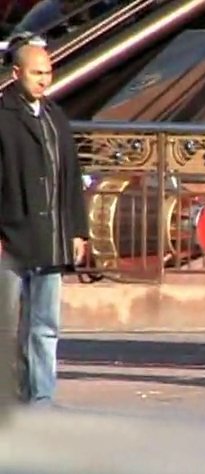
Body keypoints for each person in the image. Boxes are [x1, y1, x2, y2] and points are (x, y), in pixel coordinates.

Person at [0, 43, 88, 405]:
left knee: (45, 325)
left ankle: (41, 397)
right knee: (8, 324)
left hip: (52, 237)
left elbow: (71, 177)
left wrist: (78, 230)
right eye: (36, 73)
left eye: (48, 73)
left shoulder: (55, 116)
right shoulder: (4, 117)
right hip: (11, 236)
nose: (44, 80)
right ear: (16, 74)